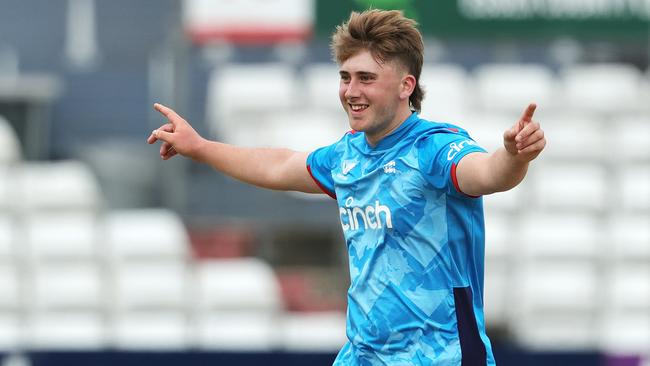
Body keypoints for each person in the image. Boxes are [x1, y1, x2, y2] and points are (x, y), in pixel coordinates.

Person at [147, 9, 545, 366]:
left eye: (366, 79)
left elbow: (489, 173)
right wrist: (201, 147)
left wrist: (514, 156)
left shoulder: (434, 148)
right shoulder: (347, 156)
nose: (351, 91)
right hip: (364, 354)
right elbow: (279, 165)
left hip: (441, 356)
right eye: (345, 77)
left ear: (406, 86)